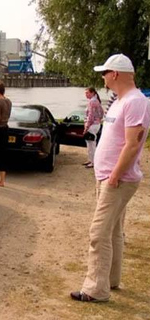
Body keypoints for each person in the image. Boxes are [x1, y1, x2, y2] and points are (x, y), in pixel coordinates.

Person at [70, 54, 150, 303]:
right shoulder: (118, 101)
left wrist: (115, 175)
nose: (102, 78)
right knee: (114, 229)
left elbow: (133, 143)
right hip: (107, 177)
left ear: (114, 74)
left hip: (118, 179)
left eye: (104, 73)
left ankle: (96, 289)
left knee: (98, 232)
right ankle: (111, 280)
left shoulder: (136, 101)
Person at [82, 87, 104, 168]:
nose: (86, 95)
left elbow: (90, 116)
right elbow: (102, 113)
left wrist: (86, 127)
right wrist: (99, 120)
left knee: (91, 144)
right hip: (95, 124)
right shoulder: (96, 101)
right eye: (85, 93)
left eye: (87, 93)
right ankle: (90, 160)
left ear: (93, 93)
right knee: (90, 144)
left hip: (92, 125)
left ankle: (94, 162)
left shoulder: (92, 102)